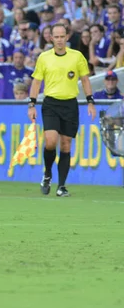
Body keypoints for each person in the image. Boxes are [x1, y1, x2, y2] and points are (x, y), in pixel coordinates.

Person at [28, 23, 96, 198]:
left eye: (62, 36)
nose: (59, 40)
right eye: (56, 37)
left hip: (70, 104)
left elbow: (85, 79)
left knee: (66, 144)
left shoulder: (77, 56)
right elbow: (36, 81)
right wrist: (32, 104)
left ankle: (62, 186)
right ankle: (48, 173)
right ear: (51, 38)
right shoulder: (44, 57)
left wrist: (90, 101)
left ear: (67, 37)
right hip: (51, 103)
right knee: (50, 141)